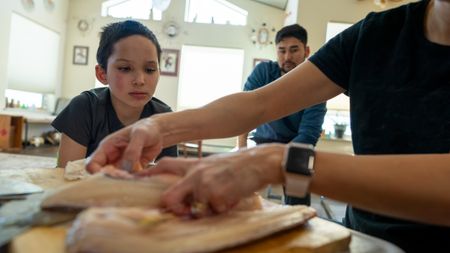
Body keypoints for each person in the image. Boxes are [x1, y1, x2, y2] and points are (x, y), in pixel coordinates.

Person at [86, 1, 450, 252]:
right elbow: (258, 104)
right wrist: (158, 127)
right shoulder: (376, 35)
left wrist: (276, 162)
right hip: (363, 238)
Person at [52, 20, 177, 168]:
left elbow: (168, 181)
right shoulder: (83, 107)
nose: (140, 80)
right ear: (102, 74)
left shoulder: (164, 117)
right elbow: (67, 175)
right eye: (125, 68)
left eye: (149, 70)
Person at [238, 24, 326, 206]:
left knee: (298, 188)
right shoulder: (263, 72)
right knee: (238, 186)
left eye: (294, 50)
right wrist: (241, 148)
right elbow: (244, 109)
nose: (287, 57)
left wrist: (276, 160)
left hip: (297, 146)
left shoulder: (317, 85)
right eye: (282, 51)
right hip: (261, 142)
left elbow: (308, 135)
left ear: (306, 50)